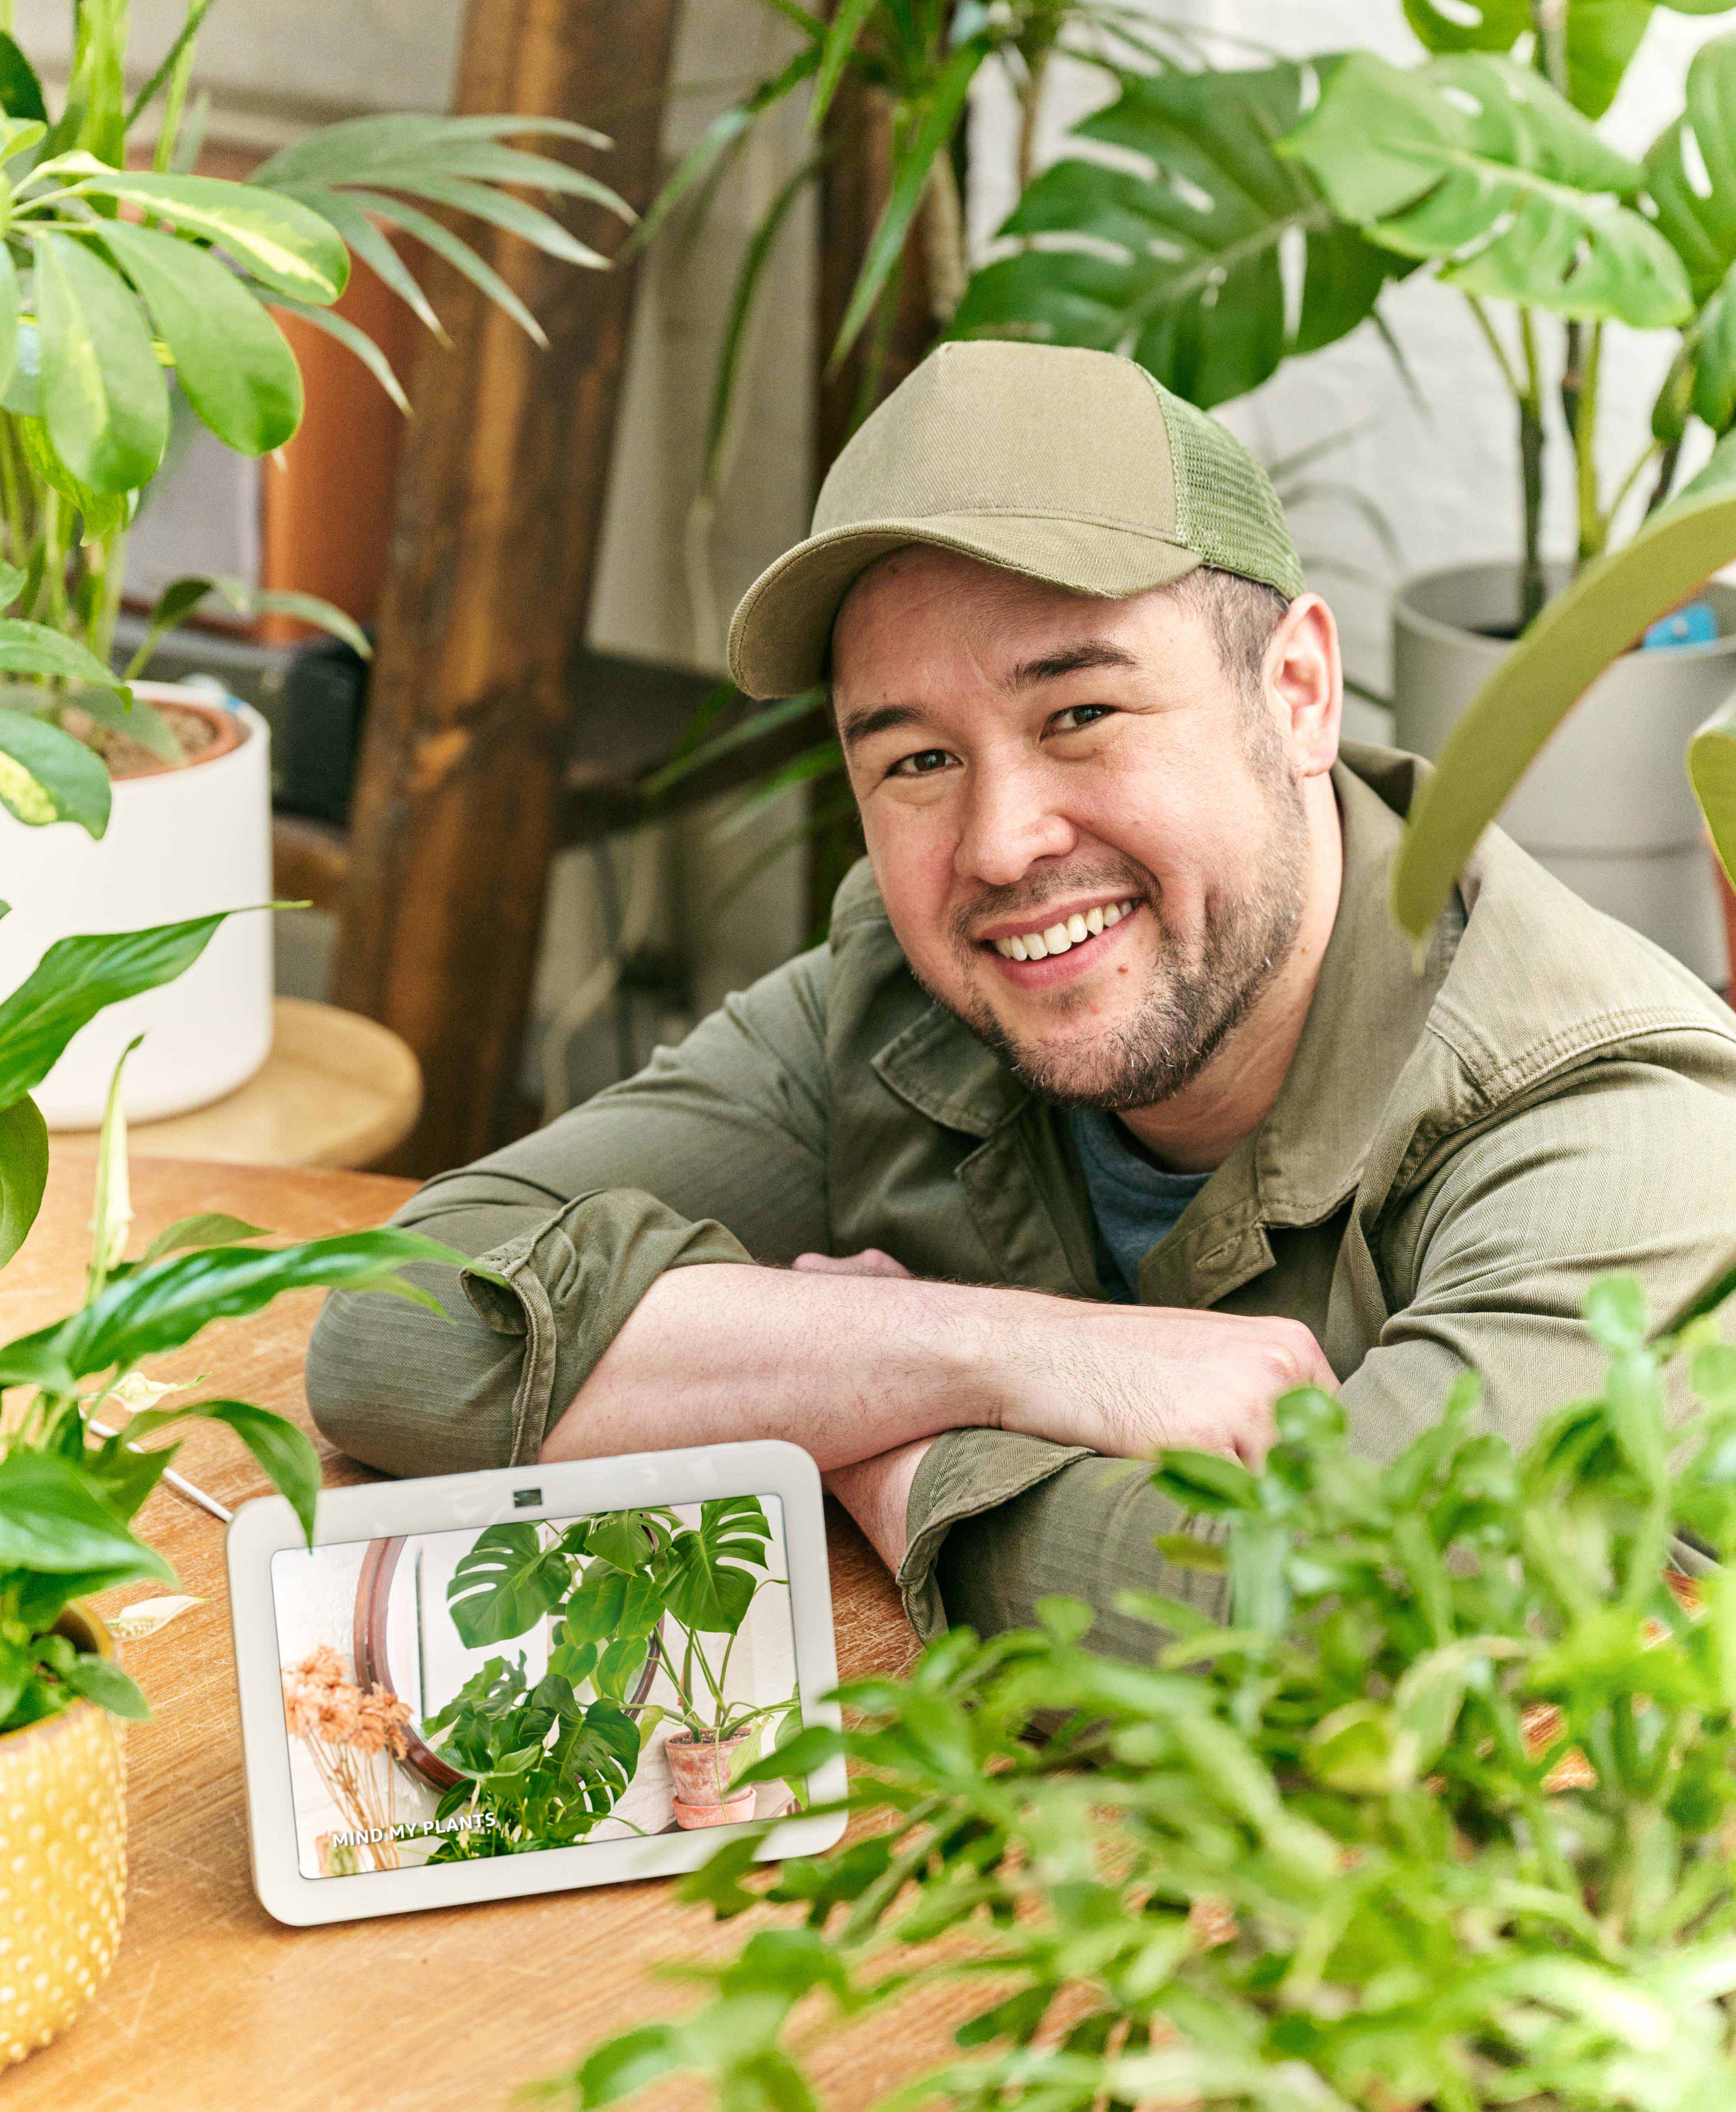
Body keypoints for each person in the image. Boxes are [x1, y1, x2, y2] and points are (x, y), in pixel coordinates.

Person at [308, 342, 1736, 1657]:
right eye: (917, 760)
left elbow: (1346, 1619)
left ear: (1297, 690)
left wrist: (888, 1456)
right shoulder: (901, 998)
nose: (999, 846)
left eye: (1081, 716)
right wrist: (1001, 1354)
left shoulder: (1612, 1111)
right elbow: (393, 1324)